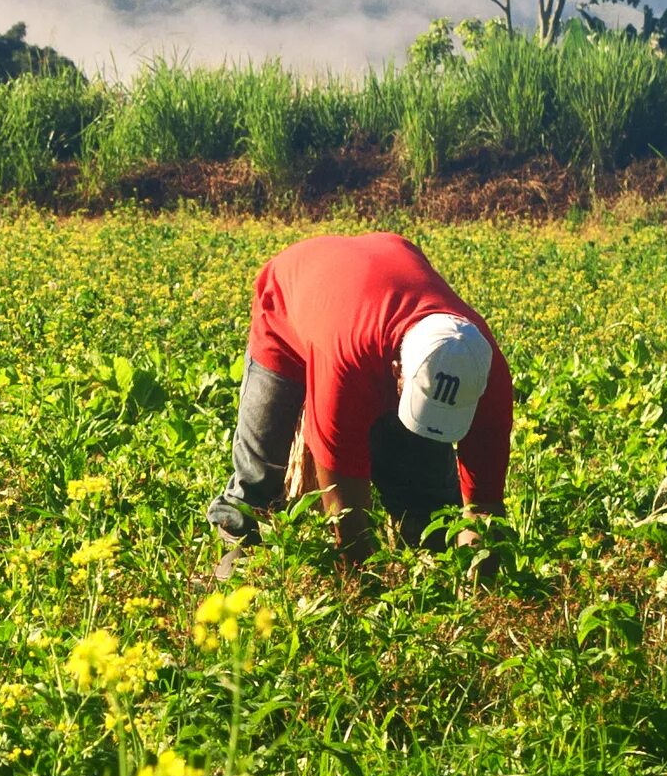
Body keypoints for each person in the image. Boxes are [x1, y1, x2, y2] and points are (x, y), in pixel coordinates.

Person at [205, 231, 511, 561]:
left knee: (431, 511)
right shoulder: (346, 363)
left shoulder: (484, 369)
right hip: (289, 306)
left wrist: (479, 584)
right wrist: (358, 585)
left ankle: (429, 573)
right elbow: (344, 507)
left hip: (367, 292)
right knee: (260, 477)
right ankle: (232, 566)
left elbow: (484, 506)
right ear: (398, 371)